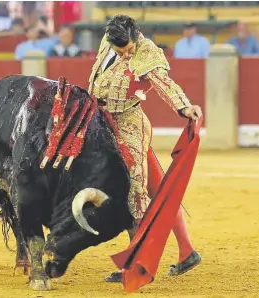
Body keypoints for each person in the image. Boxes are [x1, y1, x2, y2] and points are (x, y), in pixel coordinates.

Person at [87, 14, 203, 283]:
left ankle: (138, 263)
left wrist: (184, 107)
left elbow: (164, 84)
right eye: (121, 51)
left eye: (129, 49)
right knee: (159, 189)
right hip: (101, 122)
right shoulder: (109, 41)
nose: (126, 55)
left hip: (129, 126)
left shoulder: (147, 52)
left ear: (136, 36)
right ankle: (186, 251)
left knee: (137, 191)